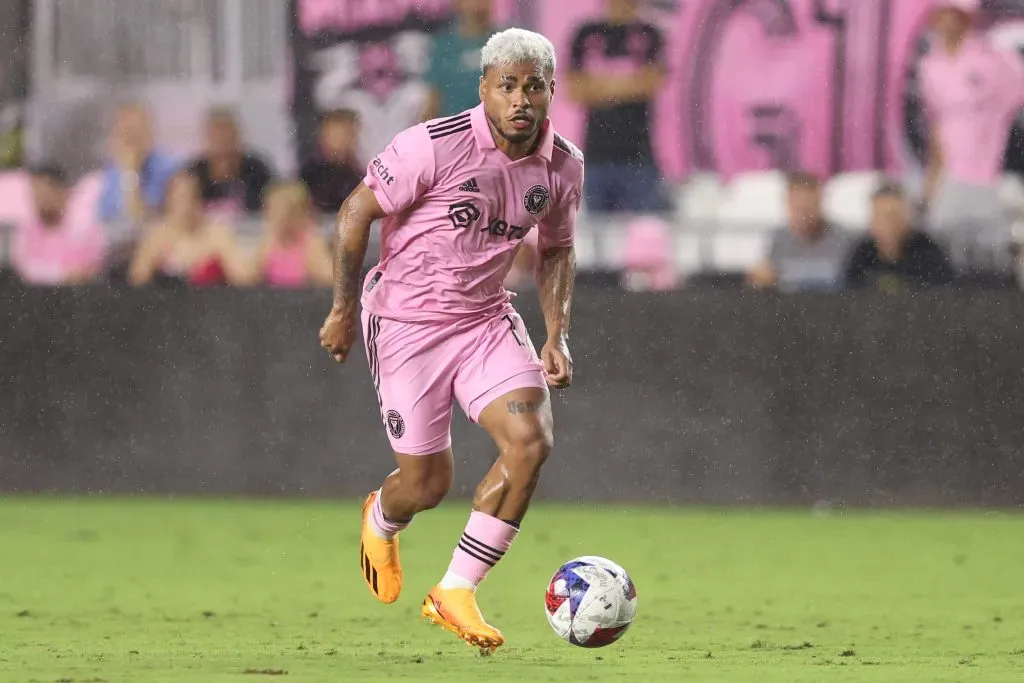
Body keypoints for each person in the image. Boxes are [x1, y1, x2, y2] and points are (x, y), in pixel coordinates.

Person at [318, 28, 582, 653]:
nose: (521, 99)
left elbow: (557, 249)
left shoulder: (563, 165)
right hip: (407, 326)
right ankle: (383, 515)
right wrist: (341, 306)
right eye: (507, 85)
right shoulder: (431, 146)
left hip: (484, 320)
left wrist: (557, 334)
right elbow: (356, 212)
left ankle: (456, 591)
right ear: (484, 89)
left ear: (551, 92)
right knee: (428, 485)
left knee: (531, 440)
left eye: (534, 86)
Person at [920, 0, 1024, 233]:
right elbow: (938, 125)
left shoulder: (994, 59)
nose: (947, 21)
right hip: (952, 177)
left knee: (993, 252)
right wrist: (932, 179)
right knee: (943, 242)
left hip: (992, 176)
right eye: (943, 13)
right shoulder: (930, 67)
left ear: (967, 19)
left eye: (955, 14)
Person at [566, 0, 665, 213]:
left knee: (640, 236)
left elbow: (651, 83)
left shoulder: (650, 34)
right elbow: (575, 91)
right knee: (599, 239)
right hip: (596, 157)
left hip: (640, 158)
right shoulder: (586, 34)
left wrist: (599, 87)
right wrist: (629, 84)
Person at [129, 171, 250, 287]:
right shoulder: (156, 237)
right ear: (168, 202)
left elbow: (243, 278)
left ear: (199, 200)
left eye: (189, 197)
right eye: (178, 199)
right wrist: (154, 259)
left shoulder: (218, 235)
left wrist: (218, 258)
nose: (184, 206)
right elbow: (137, 280)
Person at [747, 171, 851, 292]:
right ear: (787, 205)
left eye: (807, 208)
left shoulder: (843, 240)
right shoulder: (778, 239)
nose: (803, 216)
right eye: (798, 208)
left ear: (820, 203)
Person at [9, 165, 106, 286]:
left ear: (64, 193)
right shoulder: (25, 230)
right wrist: (63, 275)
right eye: (35, 192)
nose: (39, 199)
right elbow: (24, 269)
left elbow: (90, 271)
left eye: (45, 192)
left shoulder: (86, 227)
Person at [846, 182, 953, 290]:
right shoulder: (861, 256)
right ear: (872, 221)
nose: (890, 223)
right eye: (882, 216)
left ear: (908, 218)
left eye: (895, 215)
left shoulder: (927, 252)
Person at [98, 102, 179, 225]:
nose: (129, 144)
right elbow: (105, 221)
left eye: (135, 134)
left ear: (149, 134)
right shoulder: (111, 171)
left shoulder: (168, 168)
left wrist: (130, 172)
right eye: (124, 134)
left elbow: (138, 221)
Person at [187, 108, 274, 219]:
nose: (223, 147)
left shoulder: (257, 171)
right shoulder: (193, 174)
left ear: (238, 138)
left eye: (228, 140)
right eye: (217, 139)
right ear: (207, 140)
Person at [421, 0, 495, 121]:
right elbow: (433, 100)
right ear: (457, 4)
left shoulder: (507, 41)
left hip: (495, 132)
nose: (478, 6)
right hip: (454, 131)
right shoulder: (444, 45)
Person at [252, 182, 333, 288]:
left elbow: (329, 278)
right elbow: (248, 279)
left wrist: (312, 264)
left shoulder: (312, 242)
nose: (274, 217)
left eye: (280, 211)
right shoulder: (268, 242)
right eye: (271, 210)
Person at [299, 110, 364, 214]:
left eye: (350, 134)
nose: (345, 140)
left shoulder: (360, 174)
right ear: (323, 136)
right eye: (338, 133)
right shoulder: (309, 176)